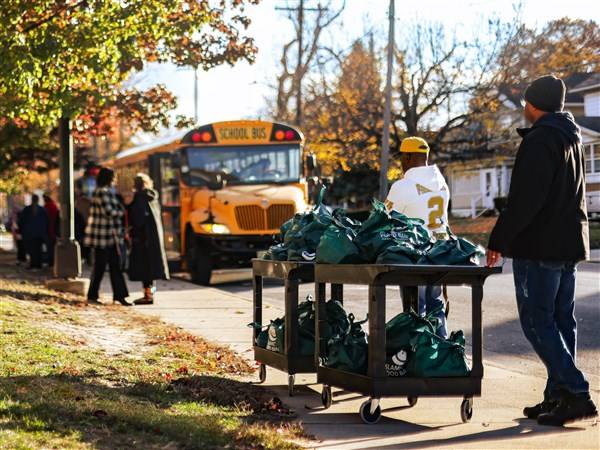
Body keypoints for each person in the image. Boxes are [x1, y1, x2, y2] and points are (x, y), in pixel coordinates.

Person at [487, 75, 597, 426]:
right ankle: (558, 396)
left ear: (533, 104)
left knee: (537, 321)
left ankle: (577, 392)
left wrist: (499, 240)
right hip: (568, 244)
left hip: (542, 244)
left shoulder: (541, 140)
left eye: (525, 103)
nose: (523, 108)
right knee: (562, 321)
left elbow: (526, 200)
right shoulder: (571, 137)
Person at [386, 136, 450, 338]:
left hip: (414, 256)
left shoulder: (402, 187)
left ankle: (418, 354)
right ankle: (441, 352)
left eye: (402, 158)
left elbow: (383, 218)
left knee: (415, 310)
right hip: (440, 253)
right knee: (436, 308)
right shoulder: (442, 184)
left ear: (408, 157)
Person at [84, 167, 130, 306]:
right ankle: (98, 295)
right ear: (109, 178)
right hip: (104, 237)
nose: (115, 180)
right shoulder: (102, 192)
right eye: (113, 177)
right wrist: (122, 213)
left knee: (110, 267)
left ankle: (117, 295)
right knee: (104, 267)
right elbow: (109, 212)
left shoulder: (104, 192)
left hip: (107, 236)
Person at [127, 173, 170, 305]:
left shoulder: (140, 198)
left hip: (143, 239)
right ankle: (151, 294)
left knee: (145, 269)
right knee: (152, 270)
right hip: (154, 238)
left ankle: (148, 296)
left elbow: (138, 219)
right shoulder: (153, 197)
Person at [18, 194, 49, 270]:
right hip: (39, 234)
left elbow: (21, 221)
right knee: (38, 249)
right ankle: (38, 264)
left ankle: (33, 264)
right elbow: (46, 222)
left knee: (31, 250)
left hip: (29, 234)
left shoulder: (27, 210)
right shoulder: (42, 210)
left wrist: (22, 231)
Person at [43, 194, 59, 267]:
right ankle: (53, 262)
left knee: (50, 248)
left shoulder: (47, 207)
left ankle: (51, 262)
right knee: (52, 247)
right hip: (54, 230)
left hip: (49, 230)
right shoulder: (54, 206)